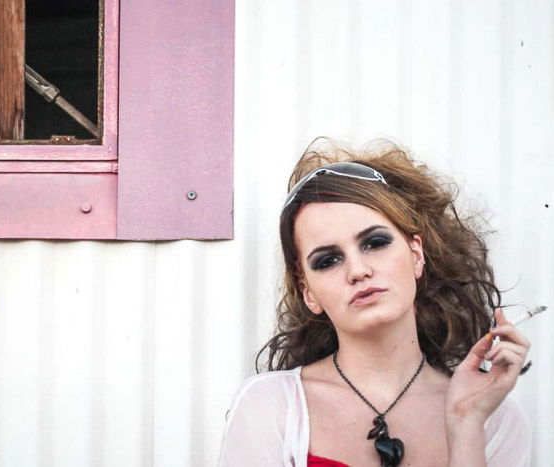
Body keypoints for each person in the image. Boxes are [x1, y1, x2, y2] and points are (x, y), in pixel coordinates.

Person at [217, 139, 531, 467]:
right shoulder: (269, 407)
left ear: (416, 254)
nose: (358, 270)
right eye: (327, 260)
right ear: (308, 293)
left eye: (375, 242)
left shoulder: (494, 418)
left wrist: (466, 423)